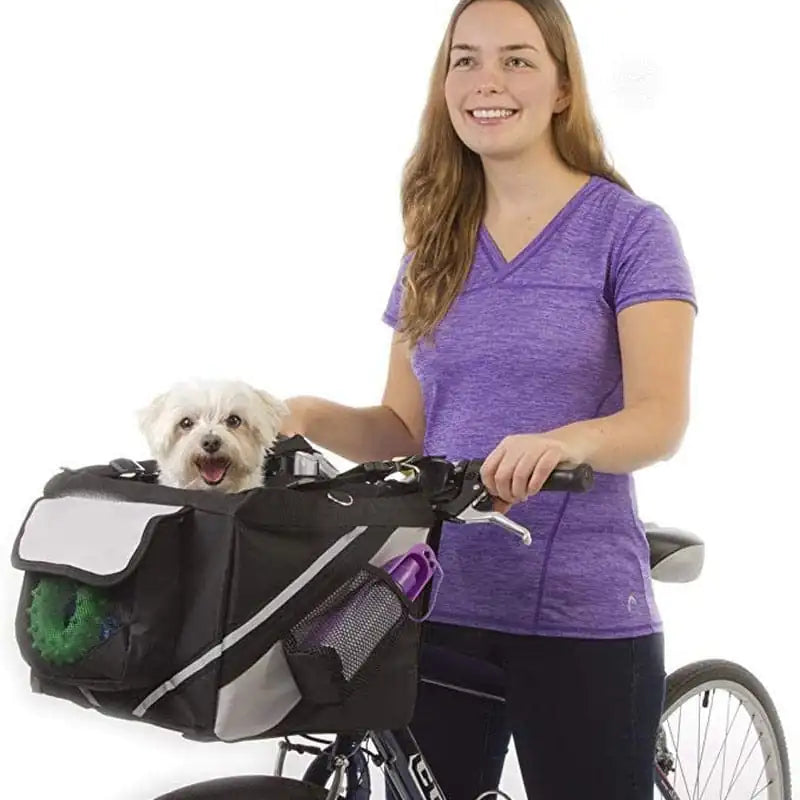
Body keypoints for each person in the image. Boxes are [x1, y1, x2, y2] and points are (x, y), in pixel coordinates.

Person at [280, 0, 697, 797]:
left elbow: (659, 417)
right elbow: (403, 428)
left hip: (579, 613)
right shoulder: (434, 239)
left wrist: (567, 442)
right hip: (436, 601)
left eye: (516, 59)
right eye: (464, 60)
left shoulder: (630, 232)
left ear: (563, 86)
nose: (486, 81)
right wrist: (302, 415)